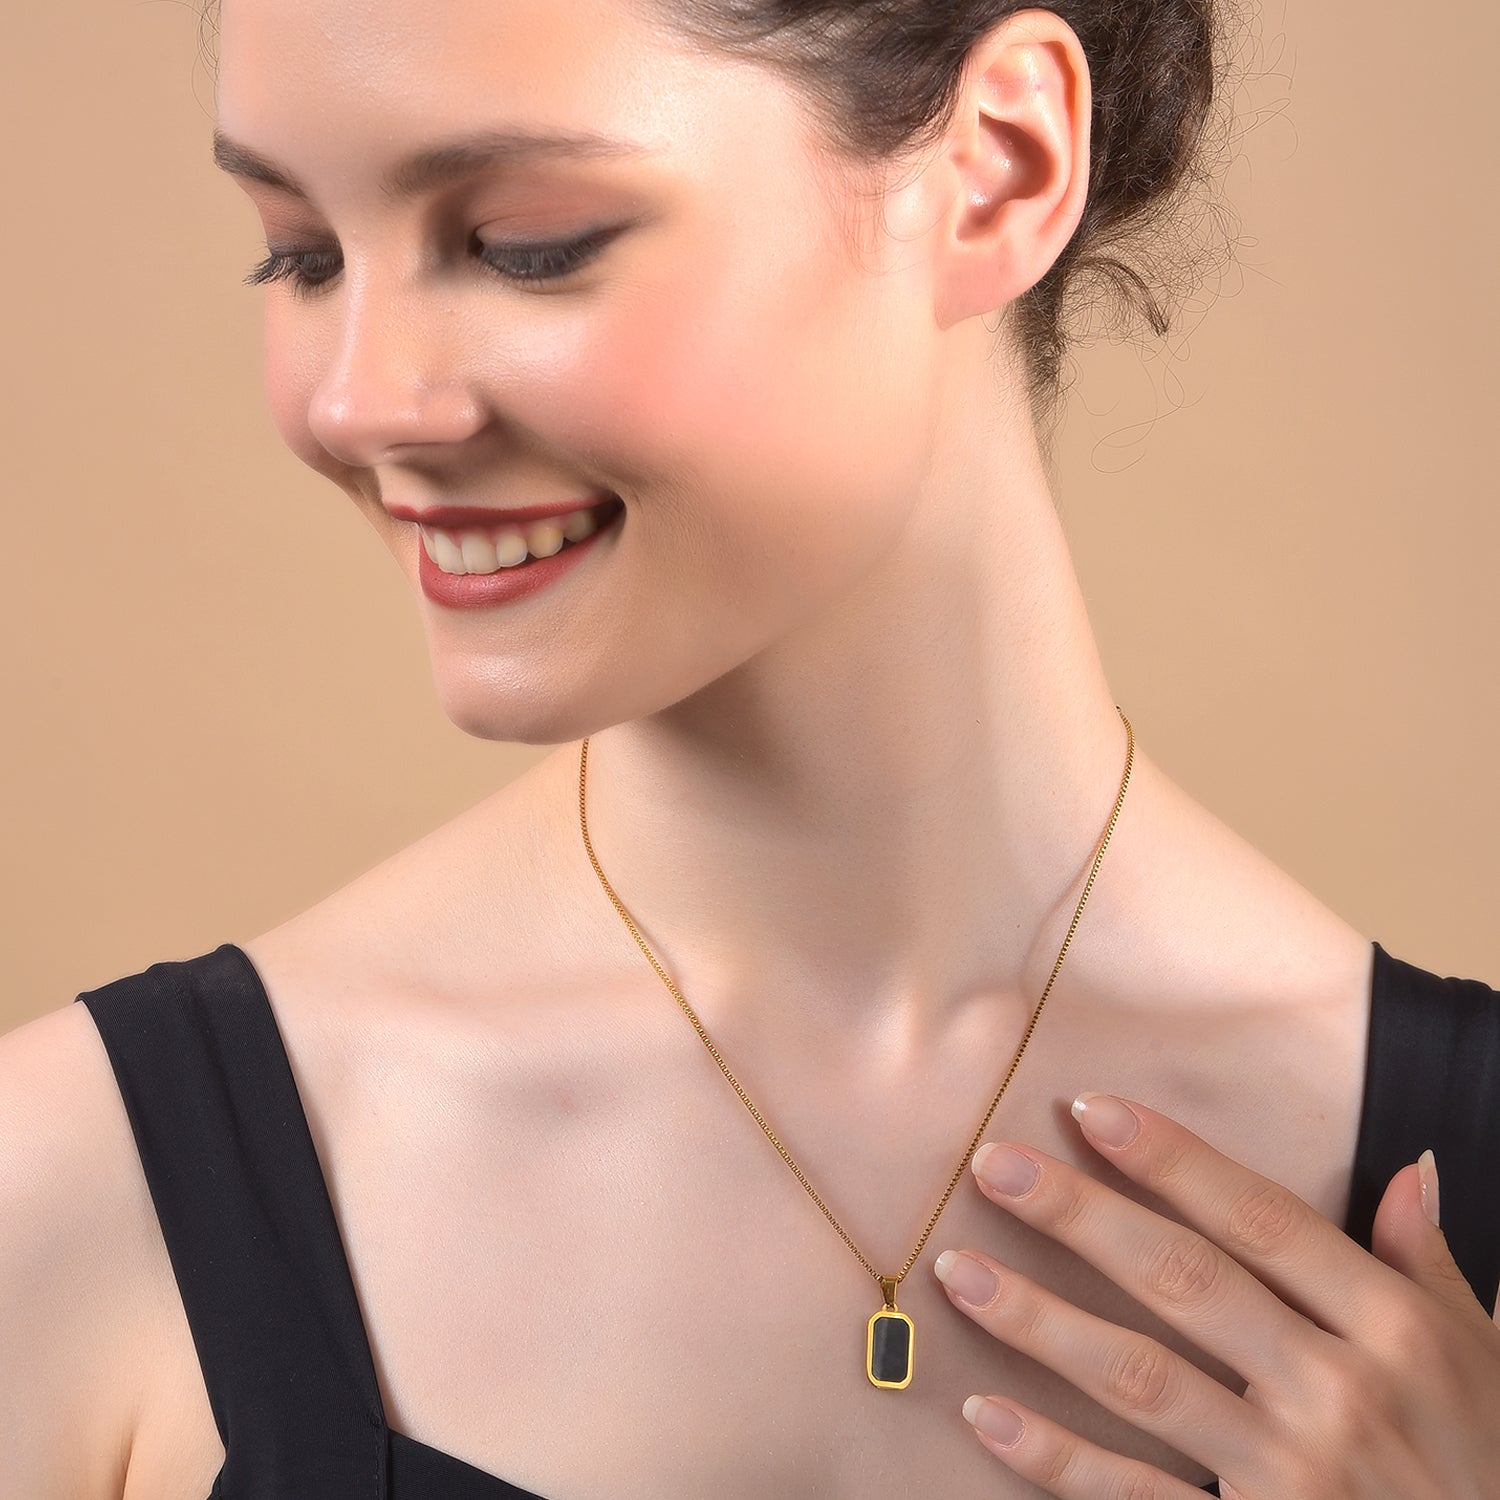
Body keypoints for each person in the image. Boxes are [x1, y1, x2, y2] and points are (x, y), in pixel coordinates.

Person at [2, 0, 1498, 1497]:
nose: (358, 402)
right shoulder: (71, 1193)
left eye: (526, 245)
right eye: (303, 253)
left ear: (999, 168)